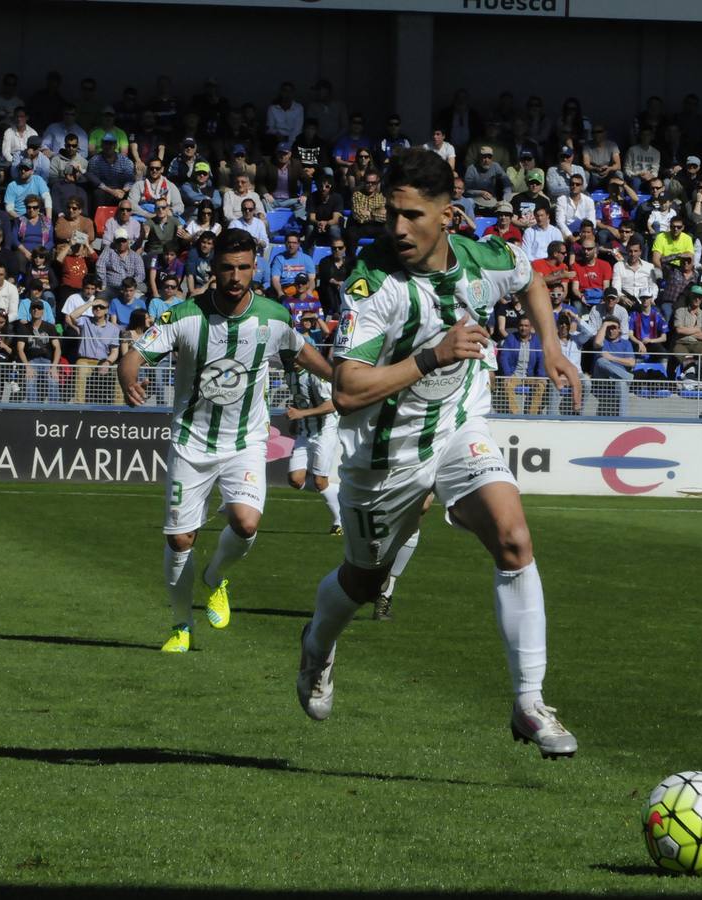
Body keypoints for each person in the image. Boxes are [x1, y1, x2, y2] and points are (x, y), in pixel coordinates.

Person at [295, 149, 581, 757]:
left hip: (457, 425)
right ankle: (318, 644)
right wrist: (434, 355)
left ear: (447, 216)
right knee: (365, 580)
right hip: (384, 453)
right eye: (391, 215)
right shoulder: (372, 284)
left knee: (513, 539)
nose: (397, 229)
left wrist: (553, 347)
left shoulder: (483, 259)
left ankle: (529, 701)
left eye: (412, 215)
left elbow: (530, 277)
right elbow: (346, 390)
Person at [119, 228, 331, 652]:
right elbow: (135, 355)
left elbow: (305, 355)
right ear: (213, 269)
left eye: (244, 267)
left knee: (246, 522)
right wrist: (129, 378)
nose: (236, 276)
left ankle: (215, 577)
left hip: (246, 441)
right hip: (191, 441)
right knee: (180, 540)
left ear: (255, 268)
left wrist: (343, 381)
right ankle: (182, 626)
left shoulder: (273, 316)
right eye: (227, 268)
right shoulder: (183, 317)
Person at [286, 341, 344, 536]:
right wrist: (296, 420)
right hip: (304, 432)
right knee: (295, 479)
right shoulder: (290, 375)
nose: (293, 359)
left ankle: (339, 521)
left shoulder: (317, 377)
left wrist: (301, 414)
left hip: (324, 432)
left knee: (320, 482)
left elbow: (332, 405)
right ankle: (336, 492)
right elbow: (298, 399)